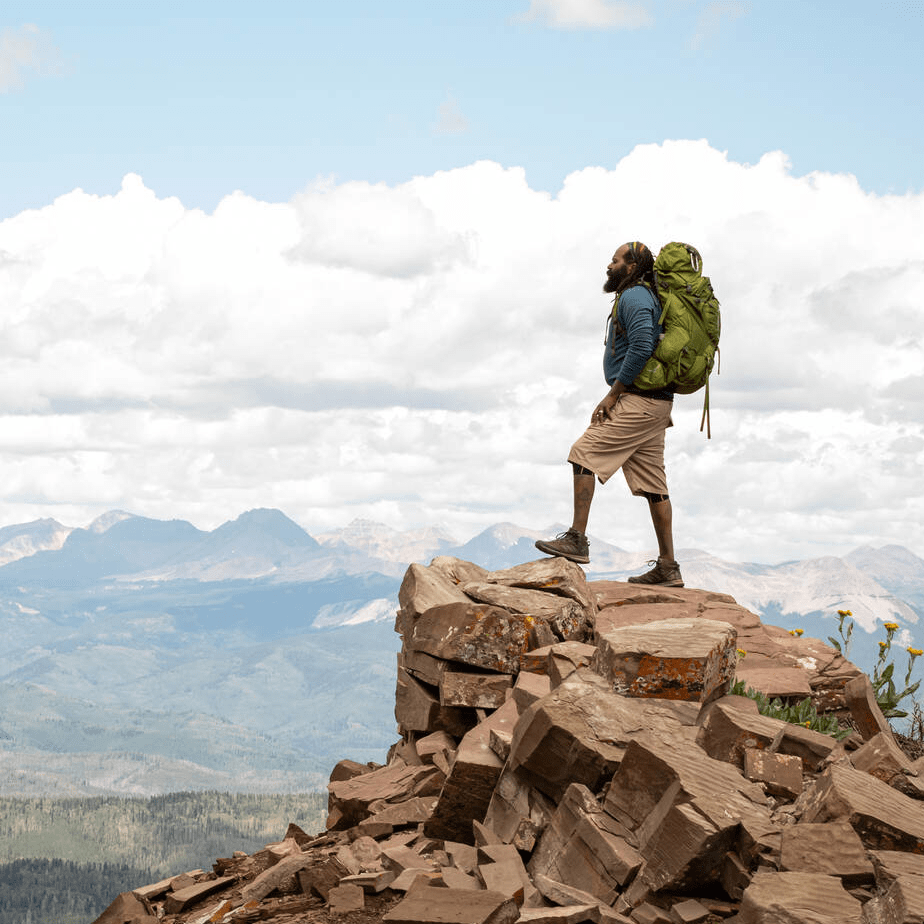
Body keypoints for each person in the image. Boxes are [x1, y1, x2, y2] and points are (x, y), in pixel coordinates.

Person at [534, 241, 683, 587]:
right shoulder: (646, 296)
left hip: (638, 401)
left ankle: (576, 539)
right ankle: (668, 567)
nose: (609, 265)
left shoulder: (634, 298)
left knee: (584, 452)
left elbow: (644, 344)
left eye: (615, 260)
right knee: (654, 485)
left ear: (631, 268)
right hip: (657, 405)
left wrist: (613, 395)